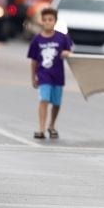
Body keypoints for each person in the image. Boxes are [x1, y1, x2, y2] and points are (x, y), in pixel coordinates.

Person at [27, 7, 73, 139]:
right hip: (43, 75)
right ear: (41, 21)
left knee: (56, 103)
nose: (47, 22)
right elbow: (34, 61)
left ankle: (51, 125)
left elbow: (69, 52)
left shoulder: (62, 38)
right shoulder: (37, 40)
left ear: (55, 21)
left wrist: (67, 53)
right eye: (45, 20)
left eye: (50, 20)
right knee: (44, 99)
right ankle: (41, 128)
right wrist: (33, 77)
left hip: (57, 75)